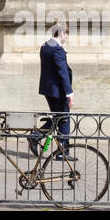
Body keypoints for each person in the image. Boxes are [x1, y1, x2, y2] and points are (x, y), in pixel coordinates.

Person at [39, 21, 74, 158]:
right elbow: (62, 72)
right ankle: (62, 152)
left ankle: (36, 136)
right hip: (58, 91)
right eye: (66, 34)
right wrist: (69, 93)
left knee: (58, 117)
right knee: (64, 118)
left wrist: (63, 50)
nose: (67, 37)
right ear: (61, 33)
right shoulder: (57, 49)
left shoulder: (45, 46)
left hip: (48, 89)